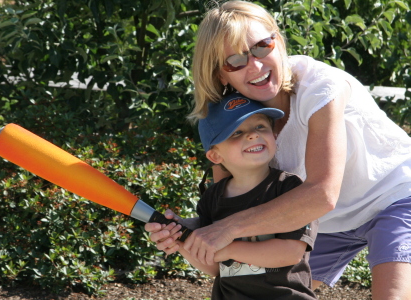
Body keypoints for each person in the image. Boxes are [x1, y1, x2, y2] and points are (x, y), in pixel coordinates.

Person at [145, 1, 411, 299]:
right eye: (235, 60)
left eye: (261, 46)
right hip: (323, 219)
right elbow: (228, 216)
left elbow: (322, 194)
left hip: (394, 195)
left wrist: (223, 231)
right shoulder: (232, 120)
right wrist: (184, 233)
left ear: (279, 42)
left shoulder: (322, 87)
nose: (256, 66)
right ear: (221, 75)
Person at [174, 91, 318, 299]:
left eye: (260, 126)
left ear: (274, 135)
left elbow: (291, 252)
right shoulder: (212, 198)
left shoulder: (289, 189)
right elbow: (215, 267)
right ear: (215, 155)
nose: (252, 135)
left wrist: (227, 250)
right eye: (236, 132)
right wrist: (180, 243)